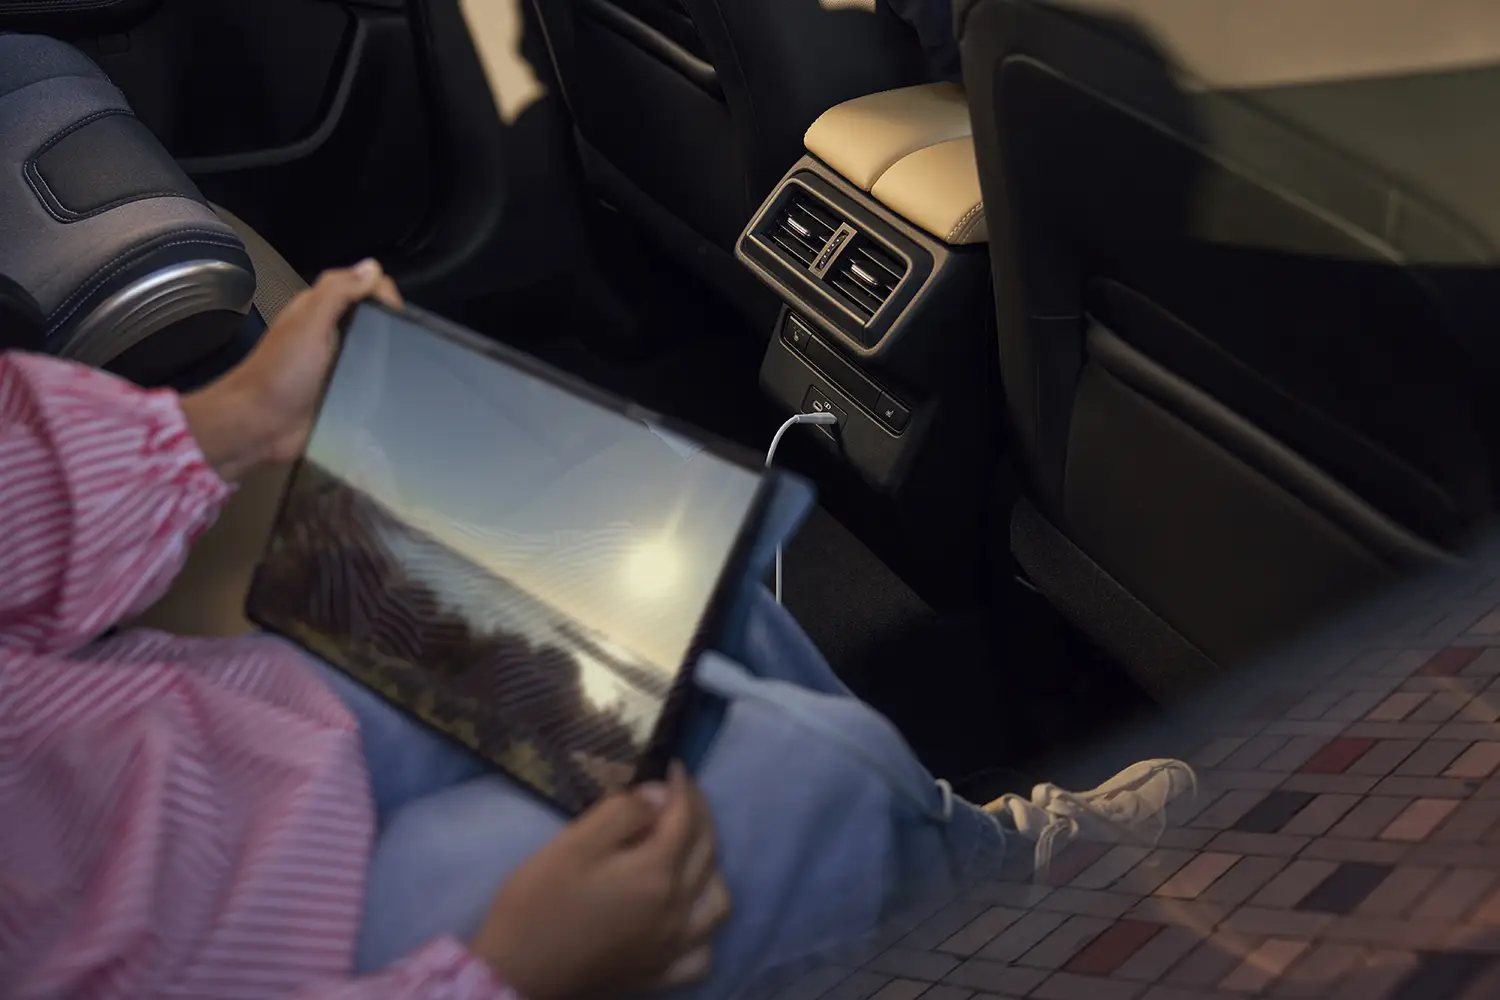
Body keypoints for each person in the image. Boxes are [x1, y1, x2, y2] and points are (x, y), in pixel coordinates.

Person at [0, 260, 1194, 1000]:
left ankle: (953, 859)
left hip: (188, 738)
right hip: (245, 951)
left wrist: (230, 419)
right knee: (798, 782)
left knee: (671, 592)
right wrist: (500, 978)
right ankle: (971, 892)